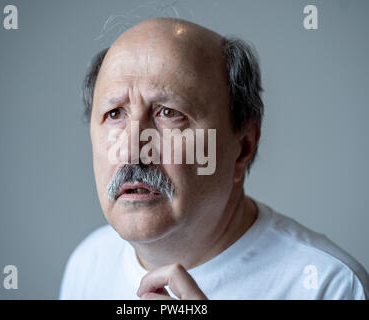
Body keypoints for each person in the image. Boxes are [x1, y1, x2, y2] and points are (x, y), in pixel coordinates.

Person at [59, 18, 369, 299]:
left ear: (243, 147)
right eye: (114, 114)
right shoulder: (88, 264)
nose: (131, 150)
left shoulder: (330, 286)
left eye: (169, 113)